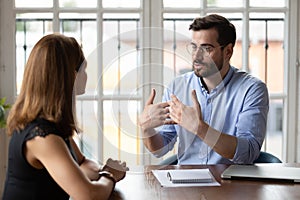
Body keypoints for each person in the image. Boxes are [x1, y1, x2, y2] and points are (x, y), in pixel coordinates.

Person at [3, 33, 128, 200]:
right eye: (84, 69)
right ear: (72, 75)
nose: (87, 76)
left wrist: (96, 174)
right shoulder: (42, 137)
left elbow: (83, 163)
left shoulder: (52, 126)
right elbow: (89, 195)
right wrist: (110, 175)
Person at [139, 14, 269, 165]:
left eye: (206, 49)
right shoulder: (177, 87)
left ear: (228, 51)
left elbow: (249, 153)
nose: (196, 57)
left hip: (231, 183)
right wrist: (146, 129)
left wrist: (200, 128)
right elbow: (160, 149)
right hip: (187, 182)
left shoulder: (252, 90)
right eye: (194, 47)